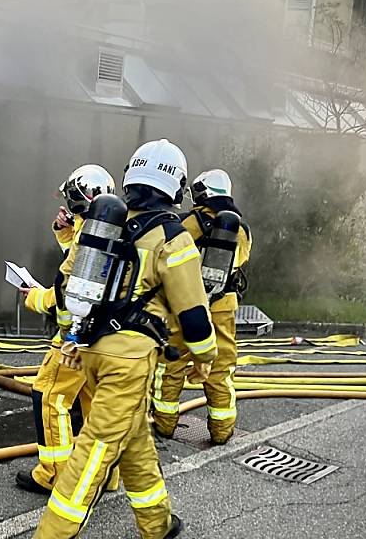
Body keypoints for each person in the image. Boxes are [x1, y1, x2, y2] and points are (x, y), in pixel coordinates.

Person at [34, 139, 217, 539]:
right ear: (176, 184)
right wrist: (204, 358)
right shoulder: (172, 236)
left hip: (92, 352)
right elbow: (193, 313)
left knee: (134, 440)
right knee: (95, 451)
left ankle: (158, 525)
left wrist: (73, 338)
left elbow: (64, 291)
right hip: (131, 361)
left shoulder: (102, 228)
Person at [17, 165, 116, 495]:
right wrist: (65, 231)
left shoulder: (90, 236)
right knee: (93, 405)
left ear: (79, 198)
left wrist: (33, 297)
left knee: (48, 396)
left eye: (70, 198)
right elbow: (79, 265)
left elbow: (64, 293)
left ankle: (54, 474)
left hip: (75, 338)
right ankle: (104, 475)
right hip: (102, 337)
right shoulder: (105, 234)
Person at [152, 169, 252, 445]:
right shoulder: (241, 230)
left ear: (200, 192)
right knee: (220, 369)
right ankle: (221, 432)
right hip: (223, 308)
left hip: (184, 306)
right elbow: (239, 264)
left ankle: (164, 426)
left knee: (171, 366)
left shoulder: (186, 222)